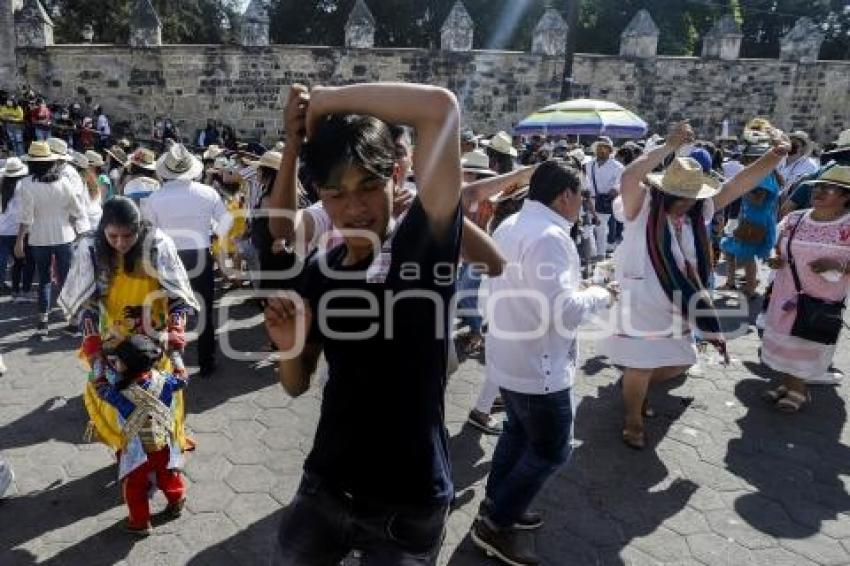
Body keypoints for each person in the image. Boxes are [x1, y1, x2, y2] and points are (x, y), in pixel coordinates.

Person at [266, 82, 463, 564]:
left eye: (370, 187)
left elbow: (440, 109)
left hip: (408, 504)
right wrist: (290, 348)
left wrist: (325, 102)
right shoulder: (320, 272)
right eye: (336, 194)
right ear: (320, 197)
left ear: (398, 174)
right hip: (326, 486)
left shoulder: (423, 249)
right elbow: (296, 386)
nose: (354, 208)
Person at [606, 121, 788, 449]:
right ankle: (633, 416)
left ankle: (636, 388)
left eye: (692, 196)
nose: (687, 201)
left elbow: (737, 186)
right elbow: (628, 177)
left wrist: (774, 157)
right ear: (664, 188)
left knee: (679, 361)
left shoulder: (695, 212)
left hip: (681, 300)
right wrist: (667, 146)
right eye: (680, 195)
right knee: (641, 361)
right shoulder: (641, 205)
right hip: (642, 299)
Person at [470, 161, 611, 565]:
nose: (582, 205)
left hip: (510, 354)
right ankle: (496, 523)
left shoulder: (512, 223)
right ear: (565, 195)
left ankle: (499, 503)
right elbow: (563, 313)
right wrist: (601, 294)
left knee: (516, 434)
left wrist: (576, 290)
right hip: (538, 366)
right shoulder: (552, 237)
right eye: (581, 196)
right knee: (552, 449)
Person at [760, 166, 850, 412]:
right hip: (786, 292)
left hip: (821, 299)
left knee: (805, 340)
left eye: (828, 188)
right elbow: (778, 247)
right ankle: (788, 384)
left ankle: (798, 389)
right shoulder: (795, 218)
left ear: (845, 196)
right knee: (785, 338)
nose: (819, 191)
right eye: (817, 186)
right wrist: (776, 259)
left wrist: (840, 266)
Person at [144, 144, 232, 377]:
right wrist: (211, 233)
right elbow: (227, 223)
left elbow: (149, 232)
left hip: (168, 258)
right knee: (204, 311)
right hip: (200, 254)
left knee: (166, 310)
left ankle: (164, 362)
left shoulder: (155, 198)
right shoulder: (207, 193)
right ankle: (207, 362)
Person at [93, 334, 189, 536]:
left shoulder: (118, 393)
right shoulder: (165, 380)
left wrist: (97, 361)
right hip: (163, 444)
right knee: (168, 474)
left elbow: (99, 385)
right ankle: (177, 500)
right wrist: (175, 355)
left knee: (135, 487)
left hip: (137, 453)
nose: (115, 363)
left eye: (117, 361)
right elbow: (183, 378)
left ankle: (140, 522)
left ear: (126, 366)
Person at [15, 141, 85, 336]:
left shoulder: (26, 184)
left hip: (39, 237)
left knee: (44, 279)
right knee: (65, 280)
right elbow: (77, 211)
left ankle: (42, 322)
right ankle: (72, 321)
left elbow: (27, 217)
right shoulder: (64, 182)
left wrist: (20, 239)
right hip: (64, 236)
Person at [719, 144, 781, 297]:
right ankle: (738, 283)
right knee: (735, 251)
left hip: (755, 222)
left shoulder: (764, 176)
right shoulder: (767, 174)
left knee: (745, 255)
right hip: (753, 220)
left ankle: (748, 288)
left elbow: (758, 200)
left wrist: (741, 188)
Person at [0, 157, 35, 301]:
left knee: (9, 262)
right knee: (27, 261)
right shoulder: (24, 187)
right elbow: (26, 212)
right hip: (20, 230)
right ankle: (24, 291)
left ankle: (13, 290)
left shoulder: (2, 186)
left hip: (3, 230)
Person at [586, 136, 624, 259]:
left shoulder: (617, 166)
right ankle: (591, 253)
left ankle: (600, 254)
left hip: (606, 201)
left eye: (604, 148)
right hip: (589, 200)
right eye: (599, 147)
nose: (601, 150)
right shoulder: (588, 165)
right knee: (589, 228)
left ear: (609, 150)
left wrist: (615, 190)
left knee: (601, 228)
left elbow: (622, 182)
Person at [777, 130, 818, 197]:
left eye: (795, 145)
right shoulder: (778, 160)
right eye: (790, 142)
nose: (791, 146)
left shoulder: (810, 166)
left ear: (803, 148)